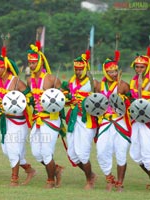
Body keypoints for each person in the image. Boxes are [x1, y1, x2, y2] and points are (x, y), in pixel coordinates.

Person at [0, 44, 36, 187]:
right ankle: (29, 170)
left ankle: (14, 179)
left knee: (13, 149)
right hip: (6, 121)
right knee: (7, 150)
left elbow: (29, 96)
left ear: (5, 68)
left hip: (19, 121)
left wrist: (25, 101)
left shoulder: (16, 81)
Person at [27, 41, 64, 188]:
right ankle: (56, 169)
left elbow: (63, 95)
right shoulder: (30, 80)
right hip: (38, 120)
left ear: (40, 62)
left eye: (34, 62)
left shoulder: (49, 78)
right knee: (37, 153)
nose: (31, 65)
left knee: (47, 152)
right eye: (29, 63)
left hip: (51, 119)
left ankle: (51, 181)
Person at [64, 51, 99, 190]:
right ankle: (91, 175)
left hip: (87, 120)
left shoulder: (93, 82)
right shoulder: (72, 80)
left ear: (86, 68)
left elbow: (101, 101)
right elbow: (67, 95)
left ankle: (89, 181)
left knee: (83, 153)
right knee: (72, 154)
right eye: (76, 69)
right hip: (73, 118)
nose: (78, 72)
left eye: (80, 69)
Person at [95, 56, 131, 192]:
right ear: (105, 72)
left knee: (121, 152)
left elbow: (132, 103)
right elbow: (95, 102)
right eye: (110, 72)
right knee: (101, 151)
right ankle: (109, 178)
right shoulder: (99, 85)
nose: (113, 74)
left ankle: (120, 183)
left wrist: (124, 101)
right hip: (105, 121)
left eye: (115, 71)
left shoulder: (123, 85)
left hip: (121, 121)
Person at [129, 49, 150, 190]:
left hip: (148, 122)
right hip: (136, 121)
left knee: (148, 154)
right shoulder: (133, 81)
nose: (139, 69)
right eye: (137, 66)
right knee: (136, 155)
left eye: (142, 67)